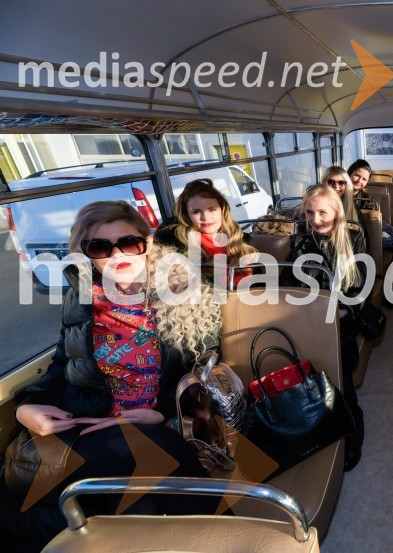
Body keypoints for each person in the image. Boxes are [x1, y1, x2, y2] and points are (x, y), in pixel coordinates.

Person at [1, 201, 219, 552]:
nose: (118, 254)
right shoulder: (82, 299)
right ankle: (226, 536)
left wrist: (161, 411)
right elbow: (61, 365)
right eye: (100, 246)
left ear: (146, 243)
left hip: (155, 425)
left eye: (129, 242)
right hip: (88, 425)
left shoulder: (183, 294)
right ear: (86, 255)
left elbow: (203, 369)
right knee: (150, 453)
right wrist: (28, 406)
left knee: (143, 503)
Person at [280, 184, 367, 472]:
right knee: (308, 376)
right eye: (309, 213)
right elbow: (288, 279)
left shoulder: (353, 238)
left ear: (337, 213)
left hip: (339, 320)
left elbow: (359, 286)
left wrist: (338, 312)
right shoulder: (301, 240)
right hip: (307, 316)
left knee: (341, 382)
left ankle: (353, 432)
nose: (315, 219)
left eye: (322, 212)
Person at [154, 178, 259, 288]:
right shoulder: (181, 245)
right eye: (196, 212)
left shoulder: (243, 240)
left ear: (223, 210)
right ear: (187, 215)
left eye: (212, 209)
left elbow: (260, 283)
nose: (205, 217)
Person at [347, 159, 393, 259]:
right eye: (357, 175)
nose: (359, 181)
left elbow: (371, 220)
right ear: (349, 173)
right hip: (356, 231)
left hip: (367, 226)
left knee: (390, 230)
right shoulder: (339, 192)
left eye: (364, 179)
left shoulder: (366, 197)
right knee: (390, 240)